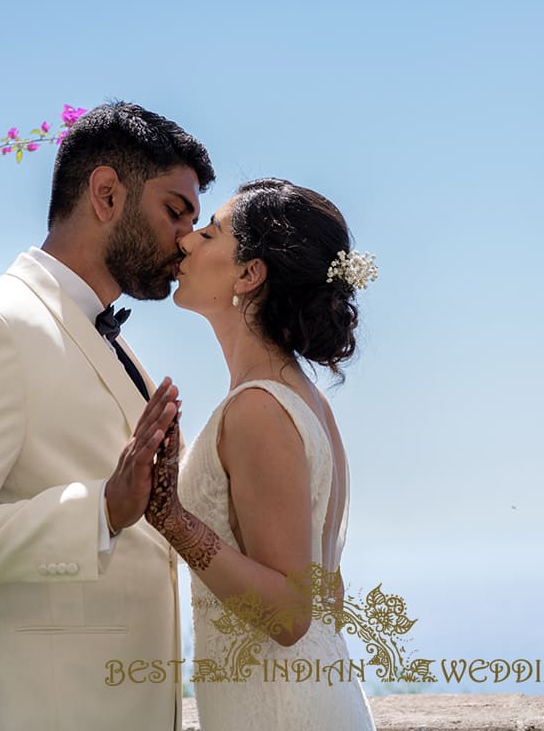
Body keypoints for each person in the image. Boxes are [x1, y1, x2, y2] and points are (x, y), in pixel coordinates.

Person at [0, 101, 213, 731]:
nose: (186, 240)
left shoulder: (121, 349)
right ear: (105, 194)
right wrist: (99, 509)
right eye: (175, 211)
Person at [142, 178, 379, 730]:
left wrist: (171, 519)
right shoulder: (306, 402)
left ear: (249, 274)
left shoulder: (258, 409)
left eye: (210, 233)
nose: (186, 243)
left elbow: (291, 615)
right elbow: (329, 595)